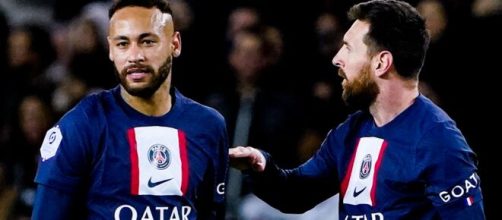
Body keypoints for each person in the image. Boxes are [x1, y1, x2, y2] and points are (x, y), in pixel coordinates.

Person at [229, 0, 486, 219]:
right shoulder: (352, 131)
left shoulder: (438, 142)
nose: (337, 58)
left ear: (382, 62)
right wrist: (260, 167)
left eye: (349, 48)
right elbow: (296, 194)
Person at [32, 0, 229, 219]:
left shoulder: (209, 126)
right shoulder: (80, 125)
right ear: (110, 50)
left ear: (175, 44)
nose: (134, 56)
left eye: (147, 42)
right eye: (123, 44)